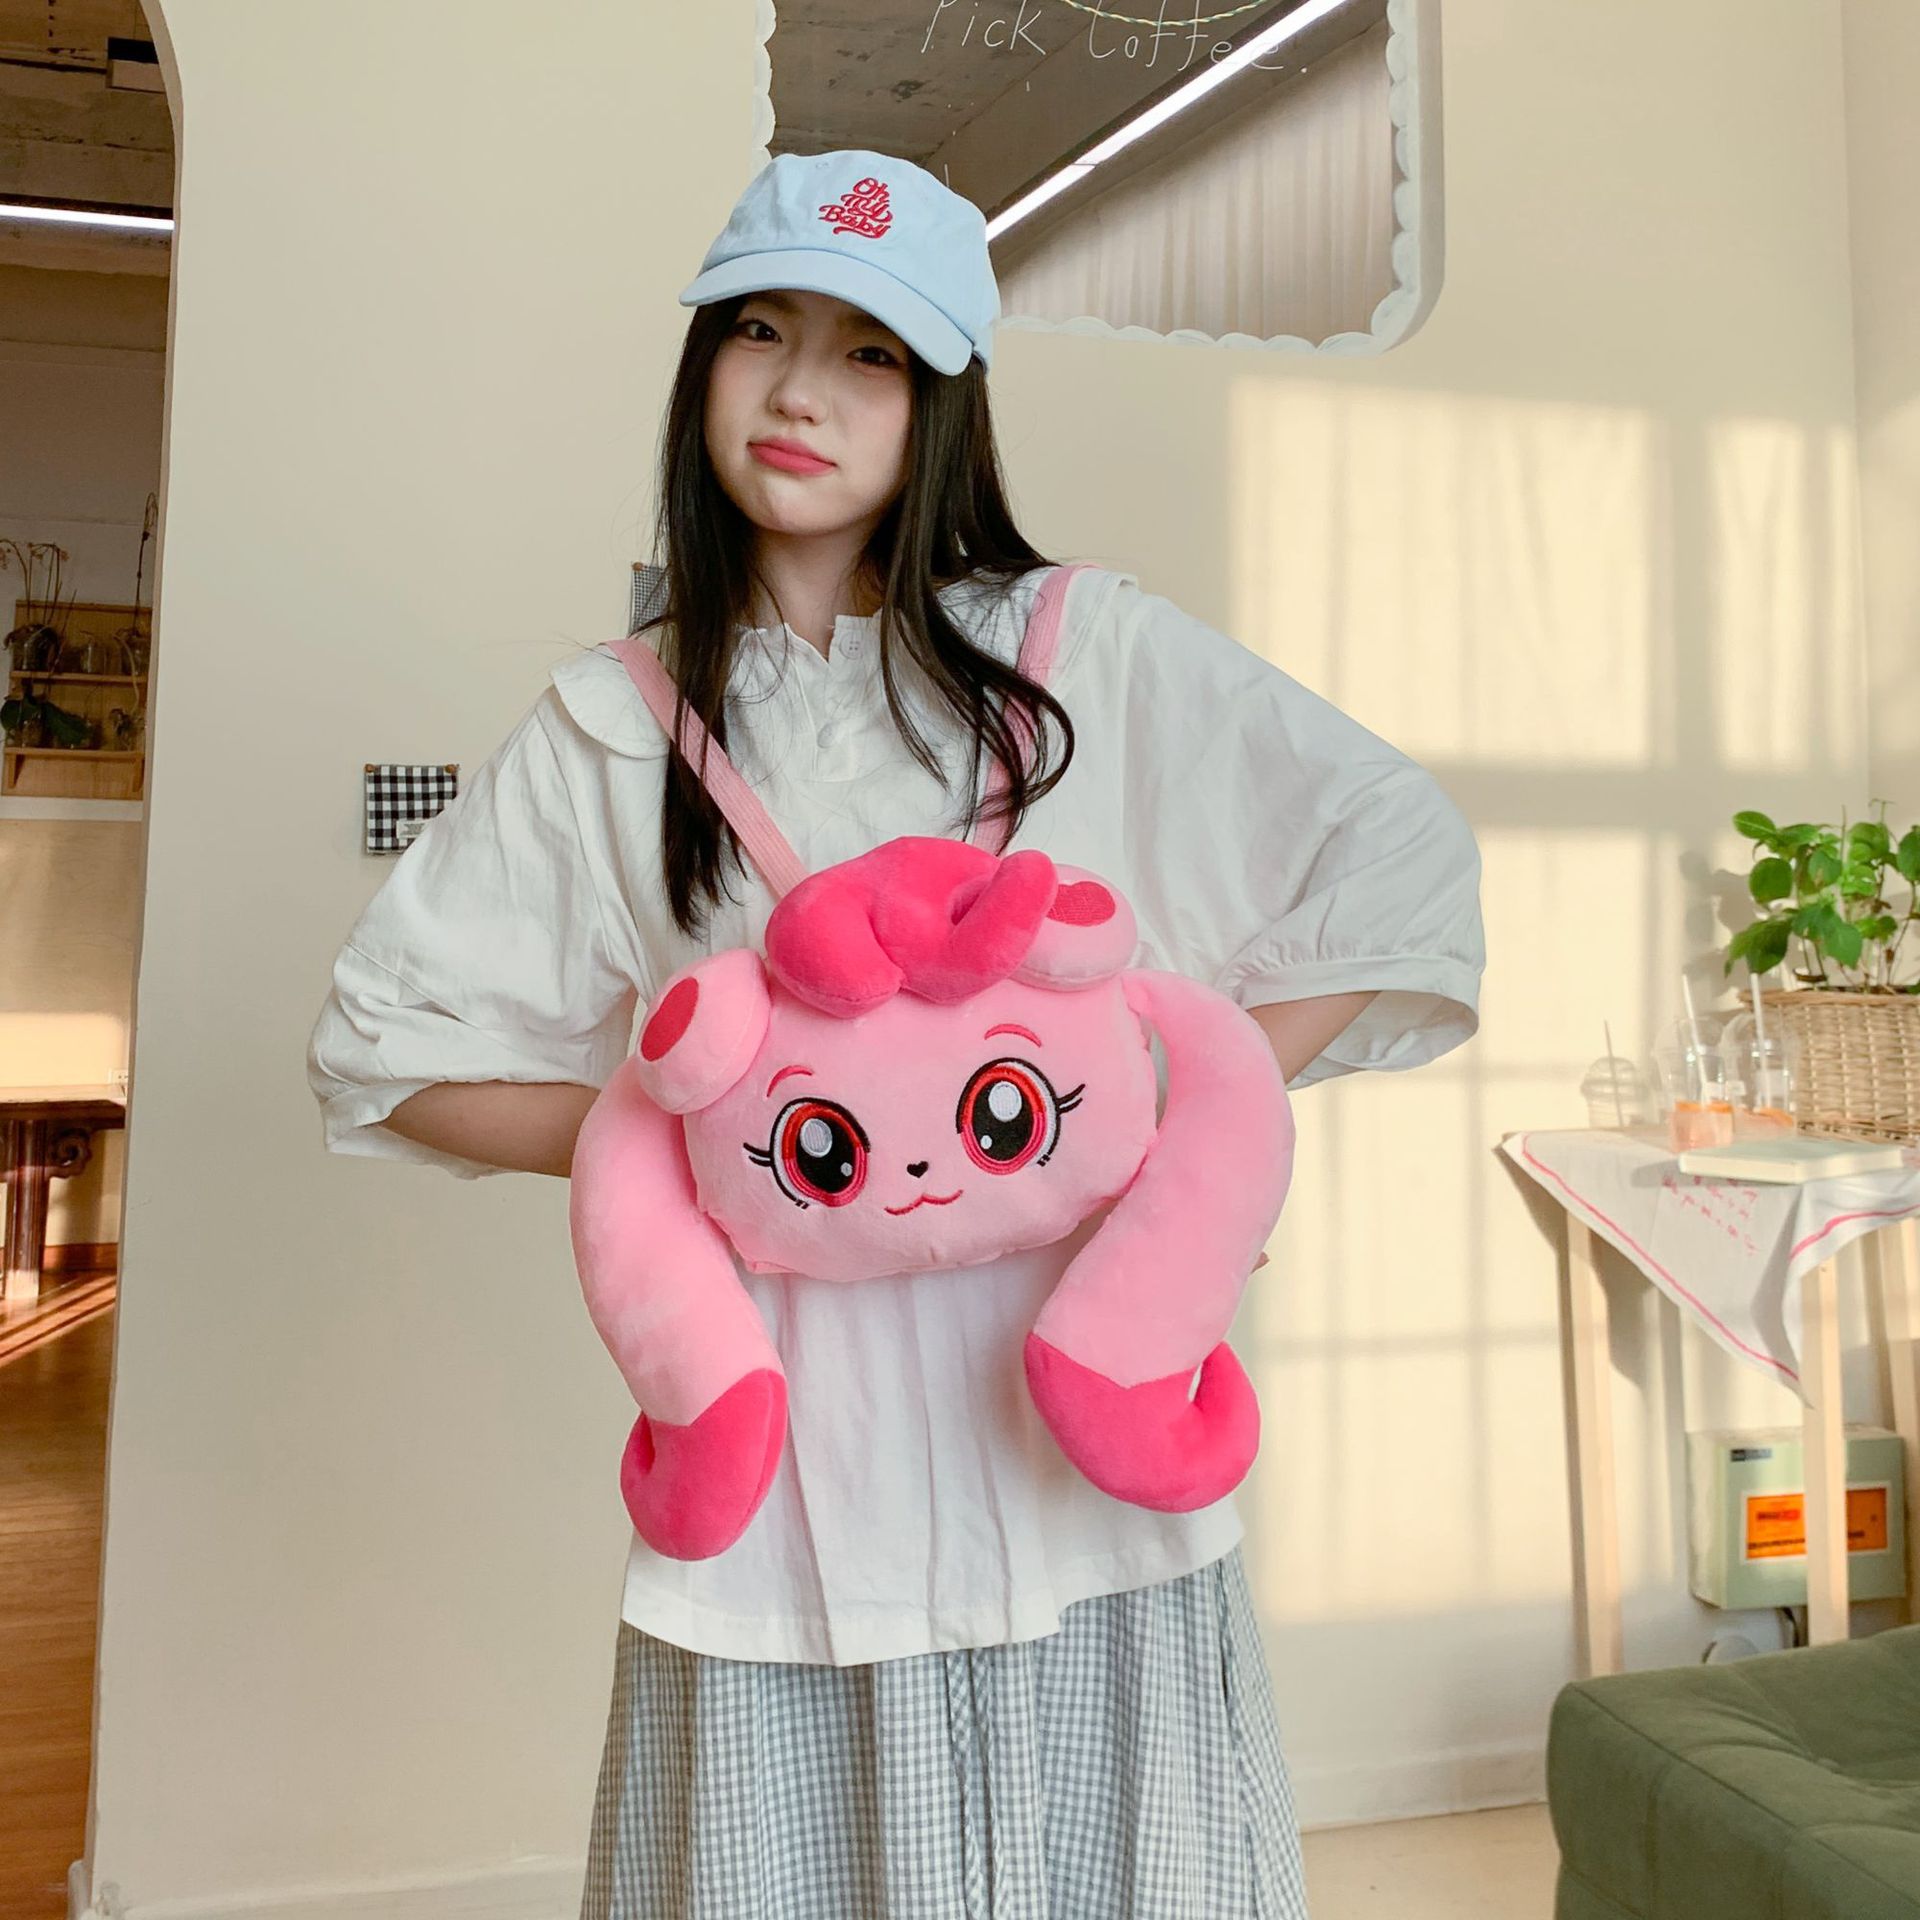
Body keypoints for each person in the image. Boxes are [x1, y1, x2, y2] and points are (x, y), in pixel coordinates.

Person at [305, 147, 1483, 1920]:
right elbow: (390, 1047)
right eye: (761, 331)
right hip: (794, 1500)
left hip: (1082, 1466)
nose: (801, 391)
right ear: (700, 360)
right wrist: (714, 1143)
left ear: (944, 406)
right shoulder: (615, 725)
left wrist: (1148, 1111)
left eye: (871, 353)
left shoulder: (1082, 649)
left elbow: (1400, 859)